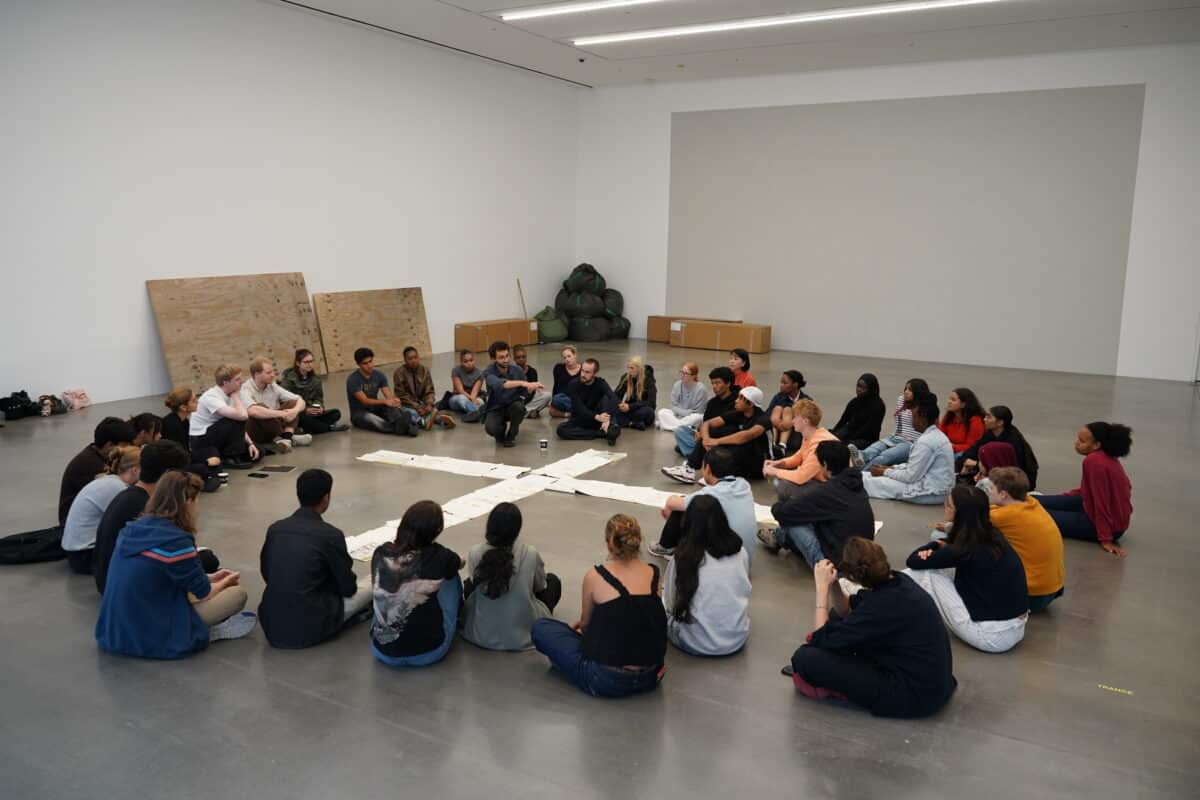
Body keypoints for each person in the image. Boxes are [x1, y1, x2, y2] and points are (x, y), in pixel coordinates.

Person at [787, 538, 956, 718]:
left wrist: (822, 590)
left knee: (805, 658)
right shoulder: (898, 581)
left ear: (854, 577)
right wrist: (833, 584)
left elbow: (819, 640)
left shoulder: (879, 606)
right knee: (837, 617)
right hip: (934, 683)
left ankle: (837, 687)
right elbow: (847, 609)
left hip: (913, 695)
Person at [95, 472, 257, 658]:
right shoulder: (176, 541)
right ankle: (205, 631)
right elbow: (203, 592)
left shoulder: (132, 529)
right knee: (237, 595)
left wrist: (212, 577)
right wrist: (225, 582)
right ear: (188, 501)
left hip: (115, 631)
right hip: (151, 633)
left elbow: (160, 575)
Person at [531, 515, 667, 697]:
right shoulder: (654, 574)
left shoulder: (595, 576)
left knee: (541, 628)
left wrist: (584, 629)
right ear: (638, 541)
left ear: (609, 545)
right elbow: (648, 618)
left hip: (606, 678)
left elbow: (586, 625)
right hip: (652, 674)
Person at [904, 486, 1029, 653]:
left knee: (926, 573)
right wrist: (940, 547)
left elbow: (912, 561)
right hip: (1016, 627)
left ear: (960, 514)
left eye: (949, 505)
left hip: (991, 637)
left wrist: (933, 545)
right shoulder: (993, 535)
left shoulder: (965, 549)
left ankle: (887, 606)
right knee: (940, 569)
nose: (945, 508)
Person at [259, 469, 372, 649]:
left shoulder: (276, 529)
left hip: (271, 624)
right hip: (311, 626)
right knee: (372, 583)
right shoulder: (331, 535)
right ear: (326, 498)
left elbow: (267, 573)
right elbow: (348, 588)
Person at [93, 440, 199, 594]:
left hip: (108, 579)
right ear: (169, 476)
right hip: (124, 587)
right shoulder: (147, 508)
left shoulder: (129, 496)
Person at [369, 500, 465, 667]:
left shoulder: (380, 552)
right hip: (429, 652)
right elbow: (460, 563)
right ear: (436, 531)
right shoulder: (440, 556)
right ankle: (460, 615)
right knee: (451, 575)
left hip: (382, 650)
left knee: (387, 589)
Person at [462, 502, 560, 651]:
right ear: (517, 529)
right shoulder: (530, 553)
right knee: (553, 582)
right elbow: (540, 587)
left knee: (468, 584)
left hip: (481, 635)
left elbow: (474, 582)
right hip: (521, 636)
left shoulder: (475, 552)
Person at [760, 440, 875, 567]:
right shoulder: (856, 483)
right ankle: (779, 538)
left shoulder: (829, 491)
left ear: (825, 465)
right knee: (807, 515)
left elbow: (782, 513)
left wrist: (779, 506)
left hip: (835, 564)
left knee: (792, 521)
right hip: (862, 554)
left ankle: (778, 537)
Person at [663, 496, 751, 656]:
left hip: (696, 643)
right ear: (722, 520)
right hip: (737, 638)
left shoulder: (683, 558)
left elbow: (670, 601)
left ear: (688, 522)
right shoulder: (740, 551)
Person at [1035, 422, 1133, 558]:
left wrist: (1105, 539)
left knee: (1035, 515)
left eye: (1082, 441)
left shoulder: (1094, 462)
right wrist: (1064, 499)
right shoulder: (1105, 456)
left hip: (1108, 527)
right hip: (1091, 506)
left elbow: (1101, 502)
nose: (1076, 443)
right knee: (1036, 501)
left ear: (1096, 445)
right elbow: (1089, 490)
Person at [649, 447, 758, 563]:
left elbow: (672, 502)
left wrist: (669, 509)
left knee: (684, 508)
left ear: (708, 469)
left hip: (718, 561)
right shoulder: (744, 485)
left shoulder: (711, 494)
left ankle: (665, 547)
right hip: (744, 561)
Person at [985, 467, 1065, 612]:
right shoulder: (1031, 503)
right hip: (1051, 589)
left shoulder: (1002, 517)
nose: (988, 491)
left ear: (1003, 494)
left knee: (980, 545)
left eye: (991, 488)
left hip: (1031, 595)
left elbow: (974, 516)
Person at [662, 386, 771, 485]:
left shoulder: (763, 418)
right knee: (714, 431)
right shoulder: (738, 413)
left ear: (750, 404)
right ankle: (689, 469)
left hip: (756, 466)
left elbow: (746, 436)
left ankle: (720, 476)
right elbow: (707, 424)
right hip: (740, 461)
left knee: (742, 442)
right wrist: (707, 439)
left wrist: (716, 441)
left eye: (740, 399)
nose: (736, 401)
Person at [863, 394, 955, 505]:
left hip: (930, 492)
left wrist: (885, 472)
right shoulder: (936, 435)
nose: (912, 421)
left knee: (873, 483)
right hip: (937, 489)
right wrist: (892, 468)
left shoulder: (926, 442)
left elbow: (910, 476)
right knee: (868, 475)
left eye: (914, 417)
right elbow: (915, 467)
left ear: (922, 419)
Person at [62, 446, 141, 575]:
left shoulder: (109, 481)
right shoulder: (118, 488)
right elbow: (135, 523)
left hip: (76, 552)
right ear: (135, 470)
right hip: (85, 556)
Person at [59, 417, 136, 527]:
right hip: (77, 525)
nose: (128, 450)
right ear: (110, 445)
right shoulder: (91, 465)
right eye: (125, 446)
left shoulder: (96, 455)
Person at [763, 399, 838, 500]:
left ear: (805, 421)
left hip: (833, 487)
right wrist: (778, 464)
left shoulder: (819, 444)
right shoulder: (812, 435)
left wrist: (775, 471)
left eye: (795, 417)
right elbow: (798, 457)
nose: (792, 421)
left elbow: (801, 477)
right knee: (784, 479)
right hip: (823, 479)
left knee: (784, 487)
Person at [189, 364, 260, 468]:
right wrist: (236, 397)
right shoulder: (212, 396)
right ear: (226, 383)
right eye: (237, 379)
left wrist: (251, 444)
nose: (241, 382)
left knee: (259, 452)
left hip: (218, 433)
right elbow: (242, 417)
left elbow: (239, 424)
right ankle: (230, 457)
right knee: (235, 418)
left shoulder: (229, 393)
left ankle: (231, 455)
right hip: (201, 438)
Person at [850, 378, 930, 470]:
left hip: (910, 443)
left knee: (884, 456)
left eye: (910, 390)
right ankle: (860, 457)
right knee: (874, 449)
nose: (906, 392)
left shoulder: (924, 408)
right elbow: (899, 422)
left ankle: (860, 472)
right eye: (905, 389)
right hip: (895, 438)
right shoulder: (901, 400)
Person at [241, 356, 311, 453]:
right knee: (260, 408)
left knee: (293, 403)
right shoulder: (245, 389)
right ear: (257, 374)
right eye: (268, 373)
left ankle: (287, 438)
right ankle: (286, 438)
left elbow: (299, 400)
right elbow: (253, 411)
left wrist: (294, 411)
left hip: (274, 426)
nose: (273, 375)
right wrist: (283, 414)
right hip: (256, 431)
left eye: (272, 372)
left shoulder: (272, 385)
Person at [958, 405, 1039, 489]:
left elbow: (1007, 468)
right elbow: (970, 452)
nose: (984, 419)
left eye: (989, 417)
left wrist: (976, 464)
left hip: (1014, 482)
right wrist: (966, 462)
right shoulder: (989, 434)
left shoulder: (1013, 442)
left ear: (1000, 423)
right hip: (992, 474)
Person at [482, 341, 543, 447]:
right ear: (493, 359)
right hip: (496, 408)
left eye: (507, 356)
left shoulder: (517, 370)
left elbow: (525, 393)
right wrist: (524, 383)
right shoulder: (488, 372)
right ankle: (500, 431)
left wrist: (530, 389)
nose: (506, 360)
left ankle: (512, 433)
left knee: (519, 407)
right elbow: (502, 384)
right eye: (501, 357)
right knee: (491, 428)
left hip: (512, 406)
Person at [280, 348, 350, 434]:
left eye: (311, 361)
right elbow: (284, 401)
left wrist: (318, 407)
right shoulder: (288, 379)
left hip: (311, 412)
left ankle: (309, 428)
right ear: (298, 363)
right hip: (298, 412)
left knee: (336, 413)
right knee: (302, 418)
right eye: (306, 362)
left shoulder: (315, 379)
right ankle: (328, 428)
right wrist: (305, 410)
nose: (310, 364)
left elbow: (318, 398)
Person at [346, 347, 413, 436]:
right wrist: (385, 401)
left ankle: (401, 424)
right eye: (365, 363)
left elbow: (387, 394)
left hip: (375, 408)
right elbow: (365, 401)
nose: (369, 365)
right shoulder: (353, 380)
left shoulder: (379, 375)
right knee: (375, 420)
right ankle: (404, 428)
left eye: (370, 361)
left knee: (392, 407)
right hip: (359, 413)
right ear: (358, 364)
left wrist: (394, 400)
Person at [673, 367, 737, 459]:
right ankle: (697, 453)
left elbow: (731, 429)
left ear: (728, 383)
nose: (714, 386)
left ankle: (694, 453)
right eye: (712, 383)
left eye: (717, 383)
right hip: (705, 437)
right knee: (680, 430)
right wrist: (700, 432)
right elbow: (705, 422)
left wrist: (705, 434)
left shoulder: (737, 402)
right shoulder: (712, 403)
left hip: (721, 440)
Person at [556, 357, 620, 445]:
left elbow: (614, 398)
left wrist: (606, 418)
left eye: (587, 372)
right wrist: (597, 417)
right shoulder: (573, 384)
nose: (583, 374)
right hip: (580, 418)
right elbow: (579, 408)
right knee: (561, 430)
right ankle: (599, 434)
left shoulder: (600, 383)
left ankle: (606, 430)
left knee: (606, 399)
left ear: (594, 373)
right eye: (582, 371)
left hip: (597, 420)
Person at [393, 347, 454, 431]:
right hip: (406, 404)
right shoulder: (399, 373)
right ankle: (423, 422)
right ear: (405, 360)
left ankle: (442, 421)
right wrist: (417, 407)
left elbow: (429, 390)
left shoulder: (425, 370)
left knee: (430, 410)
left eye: (415, 357)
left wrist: (429, 404)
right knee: (411, 413)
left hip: (421, 402)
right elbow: (401, 395)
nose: (413, 360)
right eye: (410, 359)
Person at [831, 373, 886, 450]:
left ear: (871, 389)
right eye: (858, 386)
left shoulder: (878, 406)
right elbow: (843, 420)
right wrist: (833, 433)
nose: (859, 390)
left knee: (843, 446)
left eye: (864, 388)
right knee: (828, 438)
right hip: (850, 432)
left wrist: (846, 440)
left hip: (866, 439)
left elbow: (869, 429)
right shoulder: (855, 402)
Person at [655, 361, 709, 432]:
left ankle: (666, 425)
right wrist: (682, 413)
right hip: (677, 415)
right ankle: (686, 428)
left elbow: (699, 411)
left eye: (686, 373)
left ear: (693, 376)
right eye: (681, 372)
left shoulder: (701, 389)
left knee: (698, 418)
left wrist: (684, 413)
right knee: (662, 412)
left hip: (690, 417)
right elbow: (672, 406)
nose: (682, 375)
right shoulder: (677, 385)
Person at [766, 370, 811, 456]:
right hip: (777, 428)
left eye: (785, 383)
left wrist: (790, 422)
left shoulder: (806, 401)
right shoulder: (778, 397)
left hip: (795, 432)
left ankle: (782, 445)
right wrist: (779, 423)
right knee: (777, 409)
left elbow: (810, 421)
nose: (781, 385)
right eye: (781, 382)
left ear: (795, 384)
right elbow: (768, 414)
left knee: (788, 410)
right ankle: (773, 445)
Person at [612, 356, 657, 430]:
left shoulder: (648, 380)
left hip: (641, 409)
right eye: (628, 368)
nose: (629, 371)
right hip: (628, 410)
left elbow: (652, 404)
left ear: (639, 368)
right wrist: (620, 404)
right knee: (611, 408)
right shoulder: (626, 377)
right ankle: (632, 423)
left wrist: (630, 406)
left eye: (632, 368)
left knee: (649, 412)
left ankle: (625, 422)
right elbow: (617, 395)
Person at [938, 388, 985, 456]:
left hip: (965, 454)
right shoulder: (948, 417)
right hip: (948, 450)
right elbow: (939, 436)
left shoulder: (975, 421)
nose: (949, 402)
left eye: (953, 400)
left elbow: (971, 447)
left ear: (963, 404)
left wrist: (949, 447)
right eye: (949, 399)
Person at [448, 349, 487, 422]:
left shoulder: (480, 373)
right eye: (465, 361)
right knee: (461, 398)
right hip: (458, 398)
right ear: (461, 362)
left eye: (471, 360)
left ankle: (473, 414)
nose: (469, 363)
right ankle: (476, 412)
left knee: (481, 401)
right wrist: (472, 400)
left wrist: (473, 400)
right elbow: (460, 390)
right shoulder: (456, 370)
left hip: (474, 397)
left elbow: (474, 392)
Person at [513, 345, 551, 418]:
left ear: (526, 357)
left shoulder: (532, 371)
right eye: (518, 357)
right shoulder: (511, 371)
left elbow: (532, 392)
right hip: (516, 400)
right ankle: (528, 412)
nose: (521, 359)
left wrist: (524, 402)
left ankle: (523, 412)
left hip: (529, 398)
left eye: (523, 357)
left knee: (547, 395)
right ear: (514, 359)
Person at [548, 344, 582, 418]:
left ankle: (576, 411)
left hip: (577, 398)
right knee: (555, 400)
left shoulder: (583, 369)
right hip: (562, 398)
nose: (567, 359)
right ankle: (574, 413)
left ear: (575, 355)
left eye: (569, 356)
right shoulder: (558, 368)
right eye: (564, 357)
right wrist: (553, 402)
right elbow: (556, 385)